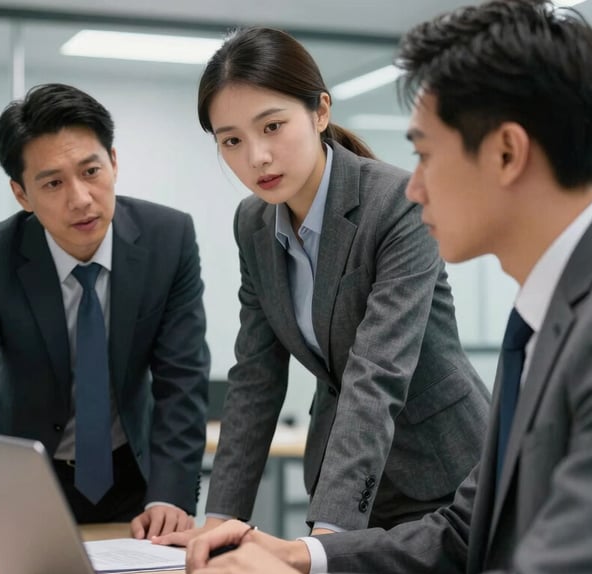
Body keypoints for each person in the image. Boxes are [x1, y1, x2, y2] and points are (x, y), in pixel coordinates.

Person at [159, 1, 592, 574]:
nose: (414, 183)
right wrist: (296, 554)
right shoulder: (551, 314)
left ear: (507, 151)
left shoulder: (582, 329)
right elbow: (462, 533)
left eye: (424, 153)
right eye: (232, 140)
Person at [190, 27, 489, 534]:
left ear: (320, 112)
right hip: (346, 468)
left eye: (273, 127)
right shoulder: (254, 225)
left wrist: (327, 535)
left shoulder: (396, 203)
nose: (256, 157)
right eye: (232, 141)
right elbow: (256, 379)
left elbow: (377, 372)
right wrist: (218, 521)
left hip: (447, 474)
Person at [0, 83, 210, 555]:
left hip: (131, 481)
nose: (81, 198)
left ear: (114, 161)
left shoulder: (168, 240)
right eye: (52, 183)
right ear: (21, 194)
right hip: (21, 482)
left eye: (91, 171)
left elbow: (181, 380)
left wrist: (170, 493)